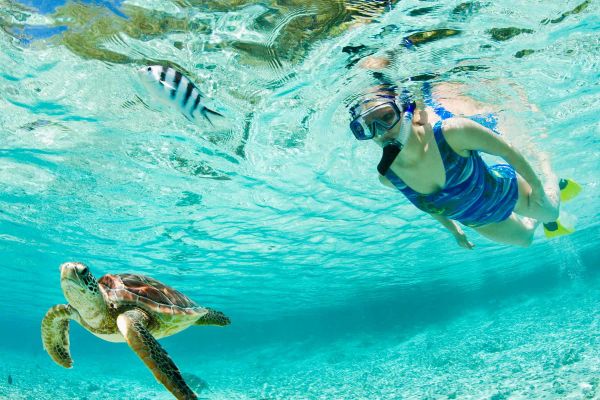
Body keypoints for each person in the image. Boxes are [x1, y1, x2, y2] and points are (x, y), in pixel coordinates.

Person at [348, 61, 580, 248]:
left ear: (407, 112)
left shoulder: (453, 132)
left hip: (502, 190)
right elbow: (430, 206)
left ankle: (551, 178)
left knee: (550, 212)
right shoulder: (389, 176)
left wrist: (537, 187)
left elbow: (508, 151)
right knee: (526, 239)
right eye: (368, 128)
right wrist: (455, 231)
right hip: (479, 221)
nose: (381, 132)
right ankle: (538, 217)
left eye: (387, 117)